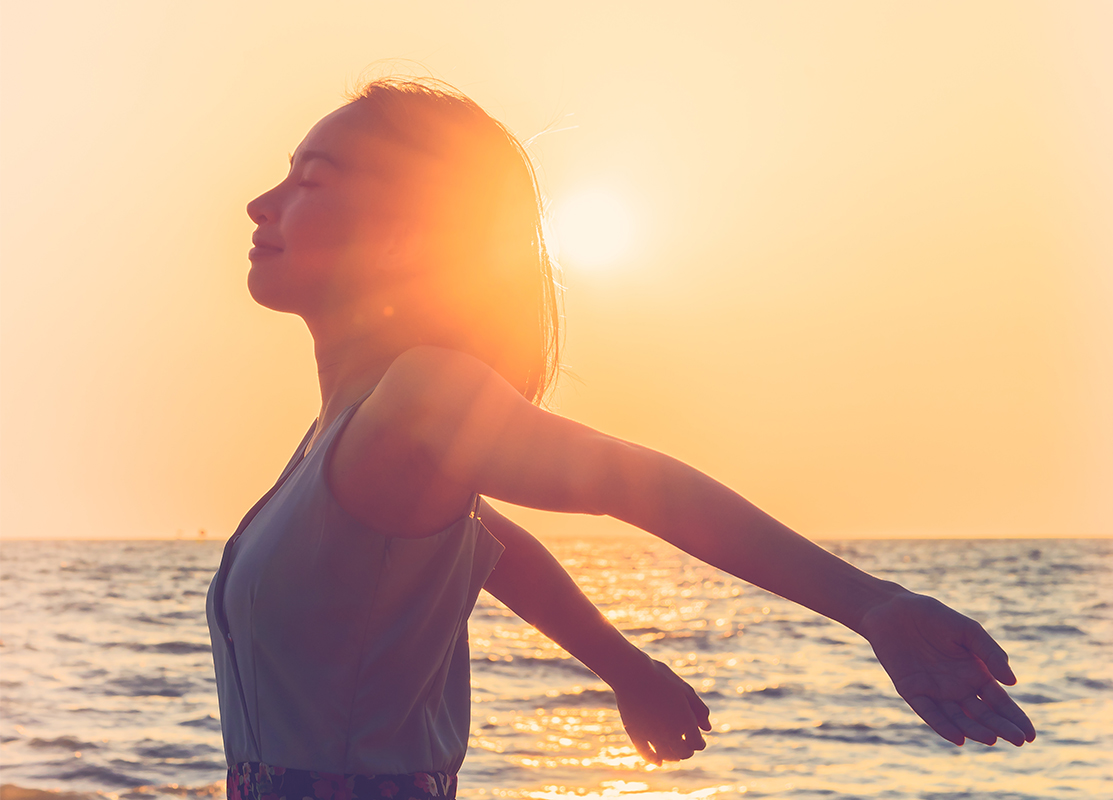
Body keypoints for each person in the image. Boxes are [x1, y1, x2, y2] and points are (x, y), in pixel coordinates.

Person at [207, 77, 1035, 800]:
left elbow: (621, 478)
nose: (263, 202)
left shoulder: (420, 390)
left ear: (403, 233)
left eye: (311, 179)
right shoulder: (341, 437)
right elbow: (487, 540)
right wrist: (624, 668)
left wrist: (874, 606)